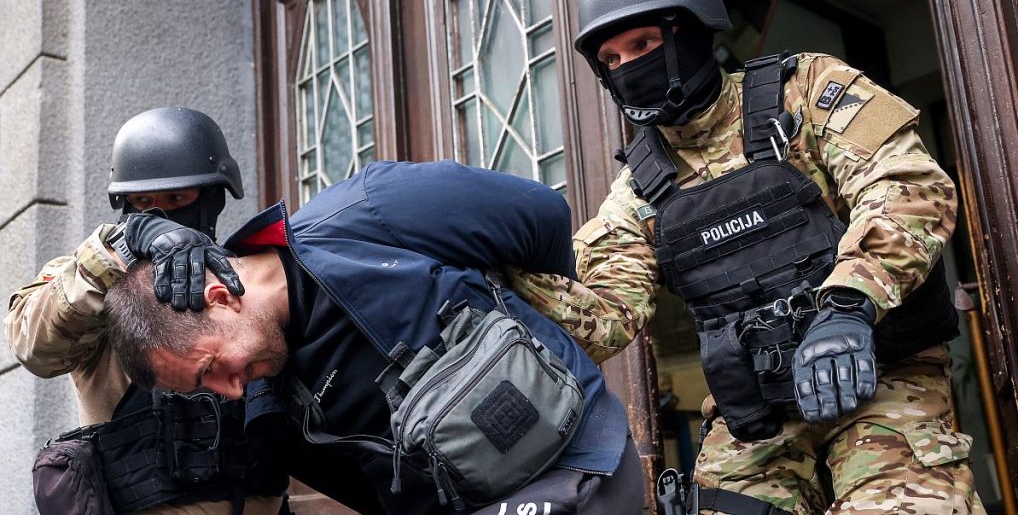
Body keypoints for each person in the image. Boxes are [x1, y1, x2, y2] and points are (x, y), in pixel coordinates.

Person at [507, 0, 985, 515]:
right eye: (610, 59)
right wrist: (503, 273)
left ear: (689, 30)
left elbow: (908, 187)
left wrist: (850, 301)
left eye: (642, 45)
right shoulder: (639, 188)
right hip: (756, 415)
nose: (627, 67)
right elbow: (605, 312)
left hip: (883, 378)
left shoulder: (806, 88)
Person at [102, 160, 643, 515]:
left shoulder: (368, 211)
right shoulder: (273, 405)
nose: (231, 390)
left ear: (221, 298)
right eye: (209, 390)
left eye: (211, 370)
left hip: (580, 463)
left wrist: (539, 317)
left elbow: (541, 215)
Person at [5, 107, 286, 514]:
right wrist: (118, 249)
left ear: (210, 199)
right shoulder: (95, 278)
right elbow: (32, 346)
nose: (161, 211)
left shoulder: (245, 277)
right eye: (143, 201)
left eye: (177, 198)